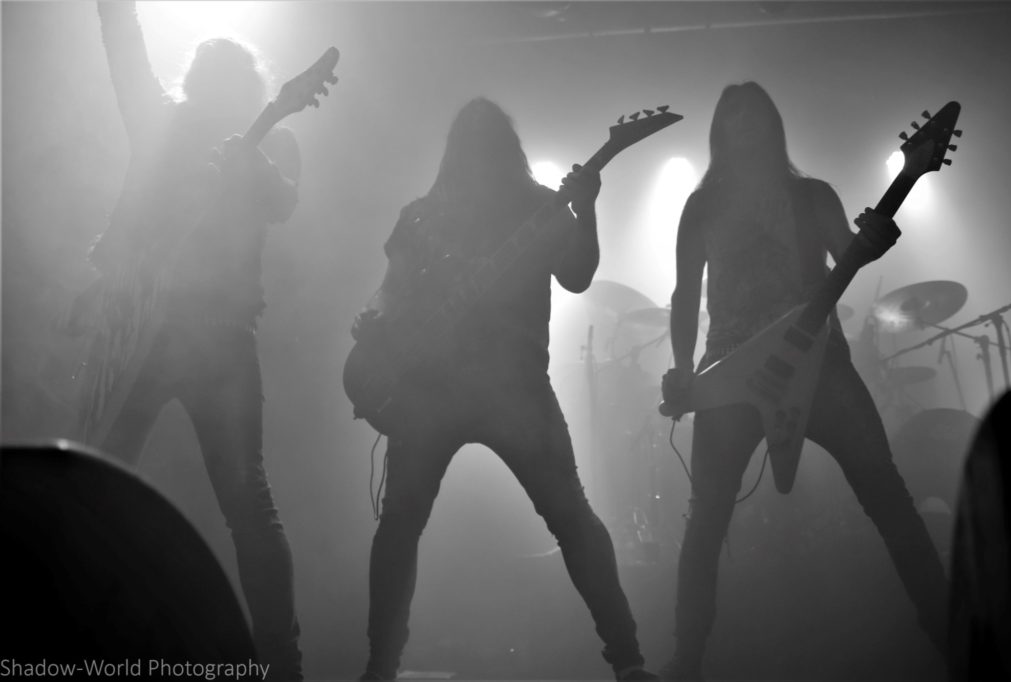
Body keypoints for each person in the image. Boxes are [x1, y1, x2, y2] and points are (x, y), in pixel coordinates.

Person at [351, 97, 655, 681]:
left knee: (568, 516)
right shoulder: (421, 215)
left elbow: (577, 276)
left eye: (483, 145)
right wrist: (374, 330)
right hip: (429, 390)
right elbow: (387, 291)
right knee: (403, 524)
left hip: (512, 386)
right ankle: (380, 666)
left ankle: (629, 661)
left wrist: (586, 207)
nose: (475, 157)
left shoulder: (538, 208)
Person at [659, 82, 948, 679]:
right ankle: (684, 661)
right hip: (731, 371)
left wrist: (874, 241)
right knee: (706, 516)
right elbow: (686, 293)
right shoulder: (700, 206)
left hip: (821, 364)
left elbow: (847, 252)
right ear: (719, 133)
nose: (744, 130)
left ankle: (952, 639)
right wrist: (683, 367)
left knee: (888, 496)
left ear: (773, 126)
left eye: (754, 118)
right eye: (732, 121)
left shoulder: (812, 195)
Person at [68, 3, 304, 678]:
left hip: (216, 333)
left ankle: (283, 663)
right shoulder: (163, 121)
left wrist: (248, 164)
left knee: (240, 503)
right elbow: (126, 52)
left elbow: (283, 201)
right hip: (143, 331)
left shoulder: (266, 139)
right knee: (241, 503)